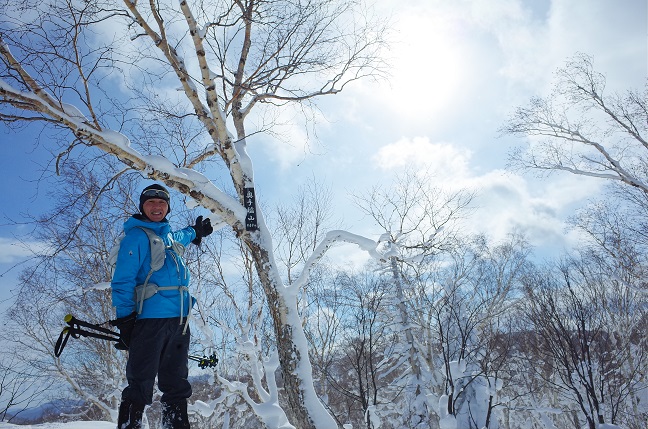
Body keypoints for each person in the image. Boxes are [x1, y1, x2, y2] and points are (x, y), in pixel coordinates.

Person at [111, 183, 213, 429]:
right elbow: (122, 282)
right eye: (150, 202)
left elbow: (180, 237)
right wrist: (126, 321)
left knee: (177, 384)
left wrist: (195, 231)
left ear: (167, 208)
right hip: (150, 321)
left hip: (179, 321)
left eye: (162, 203)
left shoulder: (165, 235)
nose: (156, 206)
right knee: (140, 383)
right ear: (142, 206)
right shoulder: (135, 238)